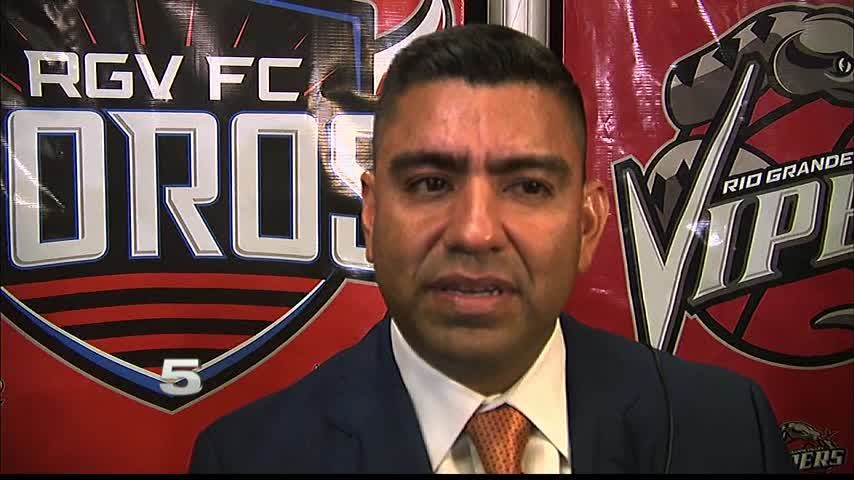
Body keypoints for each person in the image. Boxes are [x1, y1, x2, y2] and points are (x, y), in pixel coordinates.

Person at [188, 24, 796, 474]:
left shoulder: (728, 431)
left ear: (587, 225)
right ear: (371, 216)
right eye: (431, 184)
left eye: (528, 187)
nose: (475, 232)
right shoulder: (248, 459)